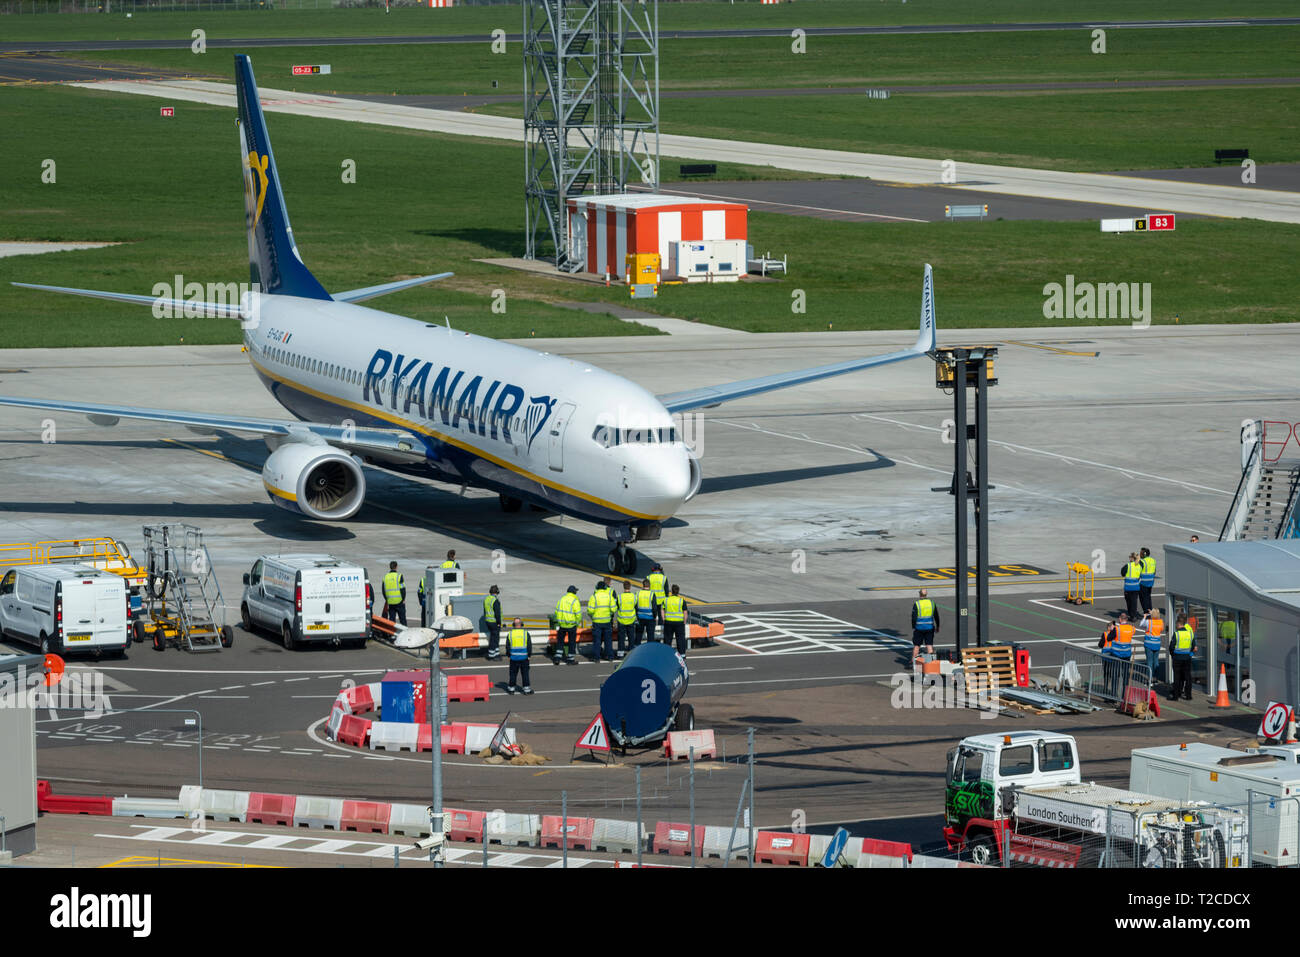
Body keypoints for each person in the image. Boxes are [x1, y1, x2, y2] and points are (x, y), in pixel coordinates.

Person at [1169, 613, 1196, 701]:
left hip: (1177, 658)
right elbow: (1193, 646)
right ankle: (1188, 695)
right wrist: (1188, 653)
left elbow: (1171, 647)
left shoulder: (1176, 634)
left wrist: (1173, 655)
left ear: (1179, 624)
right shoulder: (1190, 633)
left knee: (1177, 677)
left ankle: (1176, 696)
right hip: (1187, 657)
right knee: (1188, 677)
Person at [588, 579, 615, 661]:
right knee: (608, 640)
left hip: (597, 622)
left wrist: (593, 616)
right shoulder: (609, 596)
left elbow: (590, 610)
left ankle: (597, 658)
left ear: (597, 588)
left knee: (597, 641)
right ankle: (609, 656)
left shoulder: (594, 597)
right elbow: (613, 609)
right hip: (607, 621)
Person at [554, 585, 582, 665]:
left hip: (562, 625)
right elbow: (578, 614)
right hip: (571, 625)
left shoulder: (561, 599)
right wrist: (577, 622)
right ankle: (570, 659)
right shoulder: (574, 601)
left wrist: (560, 621)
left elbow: (556, 611)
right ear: (574, 592)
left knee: (560, 642)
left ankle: (557, 658)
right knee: (571, 642)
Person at [505, 618, 533, 695]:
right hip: (524, 657)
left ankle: (511, 689)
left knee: (513, 674)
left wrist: (508, 655)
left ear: (513, 625)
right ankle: (526, 690)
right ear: (521, 624)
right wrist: (529, 655)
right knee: (525, 674)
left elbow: (507, 646)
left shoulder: (510, 634)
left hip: (513, 658)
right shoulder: (525, 633)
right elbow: (529, 645)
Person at [911, 588, 939, 664]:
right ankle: (931, 663)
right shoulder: (932, 603)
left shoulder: (917, 604)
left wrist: (913, 626)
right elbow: (936, 615)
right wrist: (938, 626)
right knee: (929, 645)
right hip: (929, 627)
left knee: (917, 646)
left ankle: (914, 661)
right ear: (926, 594)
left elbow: (914, 617)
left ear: (920, 594)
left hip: (919, 628)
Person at [1139, 608, 1165, 686]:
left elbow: (1141, 625)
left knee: (1149, 662)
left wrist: (1145, 617)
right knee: (1156, 661)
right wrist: (1153, 614)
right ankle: (1155, 679)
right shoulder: (1161, 622)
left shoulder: (1148, 622)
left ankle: (1149, 680)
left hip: (1149, 644)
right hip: (1157, 643)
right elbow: (1162, 629)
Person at [663, 584, 688, 655]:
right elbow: (685, 613)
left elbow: (662, 610)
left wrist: (664, 619)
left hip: (668, 622)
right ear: (678, 592)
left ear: (671, 591)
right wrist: (684, 622)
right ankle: (682, 654)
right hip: (679, 623)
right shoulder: (681, 601)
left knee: (667, 639)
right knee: (680, 639)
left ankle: (666, 654)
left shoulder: (666, 600)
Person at [615, 580, 638, 657]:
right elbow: (636, 607)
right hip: (631, 620)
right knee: (631, 637)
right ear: (630, 587)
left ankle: (620, 654)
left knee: (621, 638)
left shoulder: (619, 597)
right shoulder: (634, 597)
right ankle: (631, 654)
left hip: (622, 620)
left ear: (623, 586)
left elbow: (617, 607)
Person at [381, 561, 407, 626]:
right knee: (402, 619)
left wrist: (387, 599)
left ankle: (391, 634)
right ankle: (404, 633)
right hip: (399, 601)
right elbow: (402, 589)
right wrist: (403, 599)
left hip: (390, 602)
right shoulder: (399, 576)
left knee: (392, 620)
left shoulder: (385, 577)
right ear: (396, 567)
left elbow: (383, 590)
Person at [635, 577, 657, 645]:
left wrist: (637, 615)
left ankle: (637, 648)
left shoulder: (637, 593)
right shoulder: (652, 594)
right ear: (649, 585)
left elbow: (635, 605)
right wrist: (654, 616)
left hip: (640, 617)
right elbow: (654, 608)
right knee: (650, 636)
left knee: (638, 635)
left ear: (643, 585)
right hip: (650, 618)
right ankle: (650, 649)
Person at [483, 584, 502, 660]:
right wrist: (499, 622)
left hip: (488, 621)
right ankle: (492, 655)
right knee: (495, 639)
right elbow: (497, 613)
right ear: (497, 592)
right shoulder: (495, 600)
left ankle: (496, 654)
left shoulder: (486, 599)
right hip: (494, 622)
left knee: (494, 637)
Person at [1121, 552, 1142, 620]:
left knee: (1129, 602)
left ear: (1132, 558)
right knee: (1134, 602)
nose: (1129, 558)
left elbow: (1123, 573)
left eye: (1130, 556)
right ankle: (1134, 615)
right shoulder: (1139, 566)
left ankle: (1132, 615)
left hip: (1128, 587)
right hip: (1136, 587)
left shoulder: (1128, 565)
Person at [647, 563, 668, 628]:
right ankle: (660, 629)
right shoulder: (664, 578)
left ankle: (652, 628)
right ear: (660, 569)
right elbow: (666, 590)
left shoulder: (649, 577)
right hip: (661, 600)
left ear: (653, 569)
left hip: (652, 600)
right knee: (661, 615)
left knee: (652, 615)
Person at [1138, 547, 1156, 615]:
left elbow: (1138, 571)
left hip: (1143, 582)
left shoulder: (1142, 561)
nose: (1140, 554)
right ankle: (1150, 610)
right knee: (1148, 596)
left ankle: (1146, 612)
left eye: (1141, 553)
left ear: (1144, 554)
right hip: (1151, 581)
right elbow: (1154, 571)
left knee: (1143, 597)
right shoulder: (1153, 560)